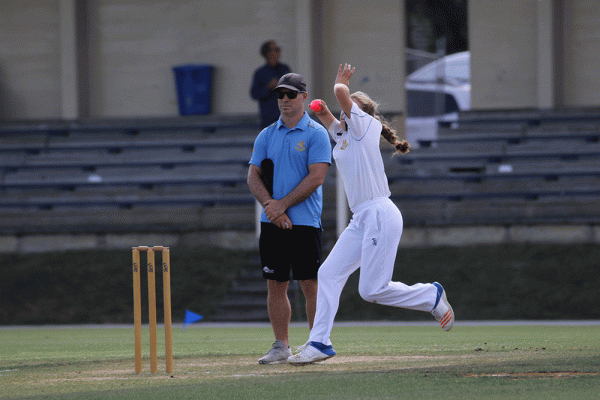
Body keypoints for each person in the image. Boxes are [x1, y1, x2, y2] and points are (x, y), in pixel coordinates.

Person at [288, 64, 455, 365]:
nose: (343, 113)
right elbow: (326, 116)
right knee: (328, 273)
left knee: (371, 290)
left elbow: (341, 95)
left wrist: (341, 85)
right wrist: (322, 109)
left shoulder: (364, 127)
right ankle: (320, 343)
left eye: (349, 109)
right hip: (361, 218)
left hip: (379, 212)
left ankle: (430, 295)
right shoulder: (346, 136)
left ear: (361, 114)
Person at [247, 72, 332, 364]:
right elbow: (253, 176)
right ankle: (281, 345)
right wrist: (271, 207)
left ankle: (317, 342)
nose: (284, 100)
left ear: (303, 98)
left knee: (310, 284)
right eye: (281, 95)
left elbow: (317, 177)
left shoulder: (316, 133)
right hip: (272, 223)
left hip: (305, 222)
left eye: (291, 95)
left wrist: (280, 205)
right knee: (275, 283)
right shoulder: (267, 134)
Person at [250, 40, 292, 128]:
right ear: (267, 53)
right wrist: (269, 87)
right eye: (275, 49)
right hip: (268, 117)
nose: (278, 52)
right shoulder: (260, 73)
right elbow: (254, 94)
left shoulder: (285, 69)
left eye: (278, 49)